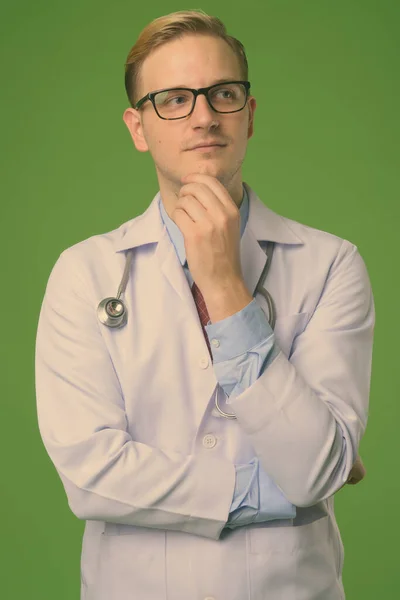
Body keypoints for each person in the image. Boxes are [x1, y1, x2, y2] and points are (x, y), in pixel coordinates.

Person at [35, 9, 374, 600]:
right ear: (138, 128)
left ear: (249, 115)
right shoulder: (84, 273)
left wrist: (225, 287)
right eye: (173, 99)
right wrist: (277, 492)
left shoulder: (330, 265)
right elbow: (90, 475)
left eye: (224, 93)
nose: (204, 116)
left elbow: (317, 471)